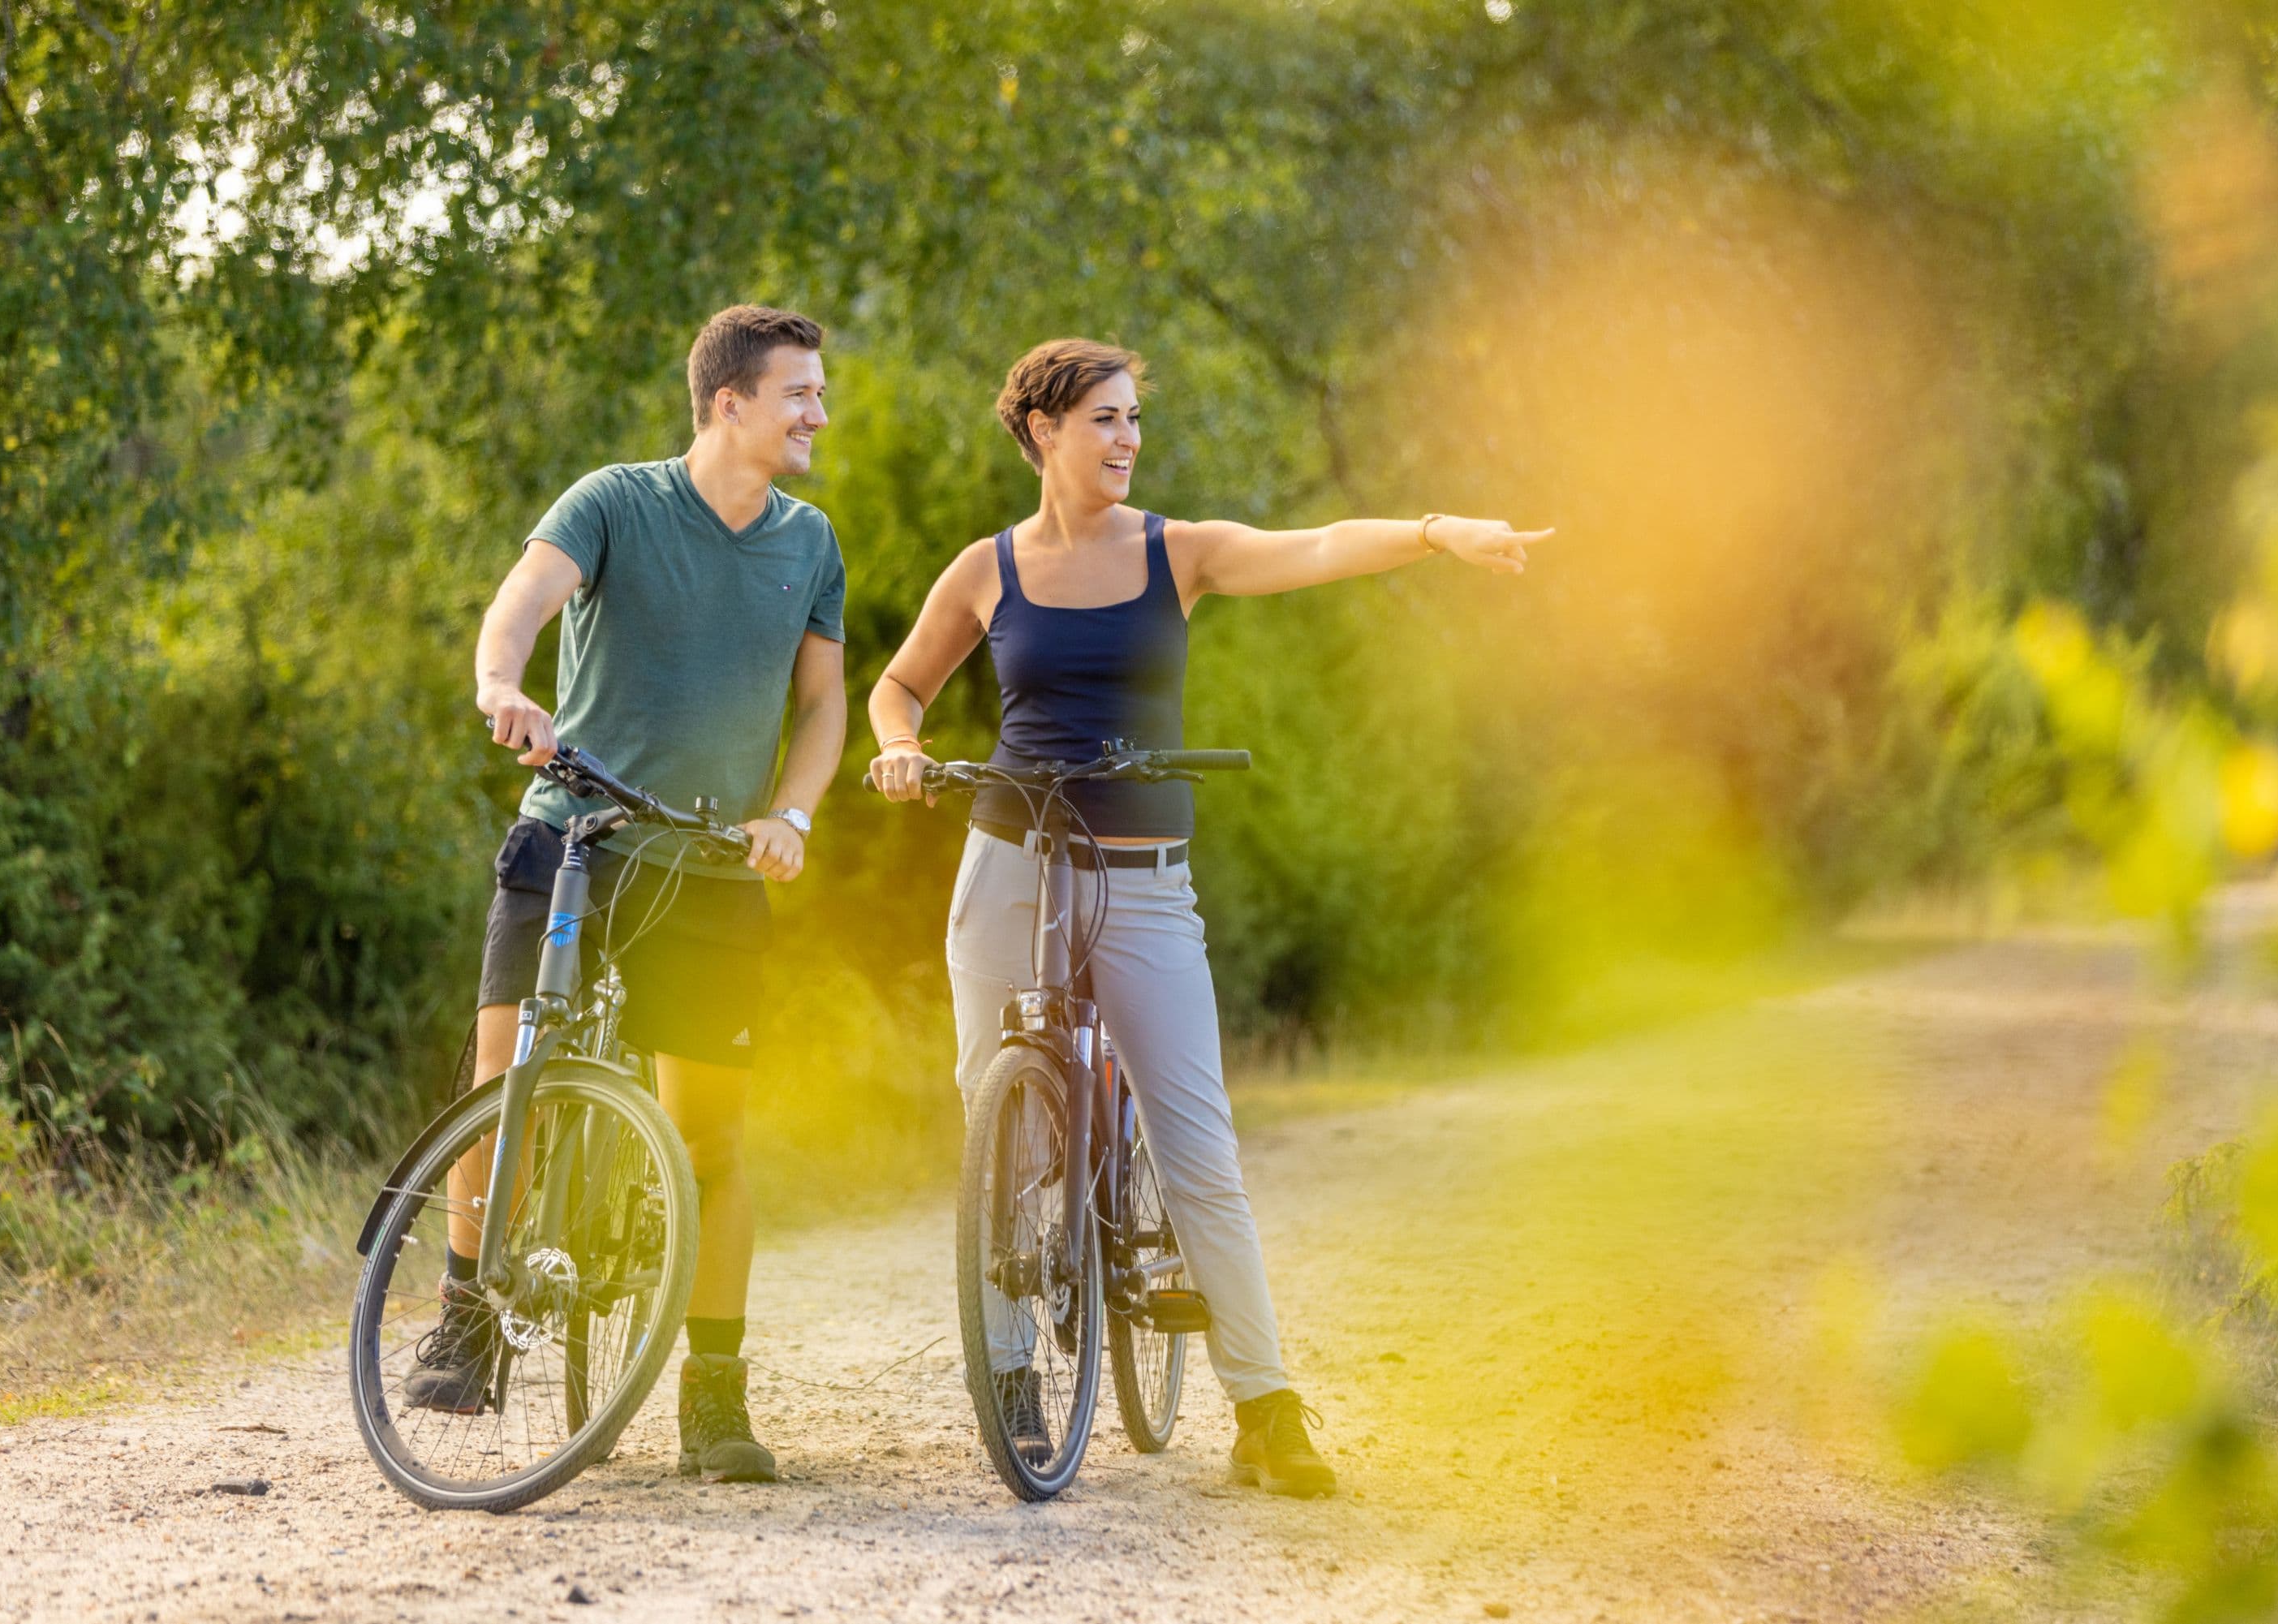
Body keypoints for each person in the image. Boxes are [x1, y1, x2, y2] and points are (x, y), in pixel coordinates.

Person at [864, 338, 1548, 1498]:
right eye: (1104, 421)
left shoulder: (1177, 553)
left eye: (1133, 420)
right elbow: (899, 687)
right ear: (1042, 431)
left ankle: (1265, 1408)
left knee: (1199, 1147)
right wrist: (899, 751)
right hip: (1009, 863)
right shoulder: (986, 569)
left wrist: (1437, 533)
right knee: (1002, 1128)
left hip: (1139, 878)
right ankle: (1015, 1370)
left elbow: (1320, 546)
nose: (1127, 440)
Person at [410, 304, 848, 1486]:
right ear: (730, 403)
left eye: (819, 392)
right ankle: (463, 1308)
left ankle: (714, 1393)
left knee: (710, 1139)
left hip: (709, 863)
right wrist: (504, 686)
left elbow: (821, 708)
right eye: (799, 393)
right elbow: (517, 608)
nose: (818, 412)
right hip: (577, 834)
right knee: (511, 1090)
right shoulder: (613, 501)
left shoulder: (810, 543)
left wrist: (791, 814)